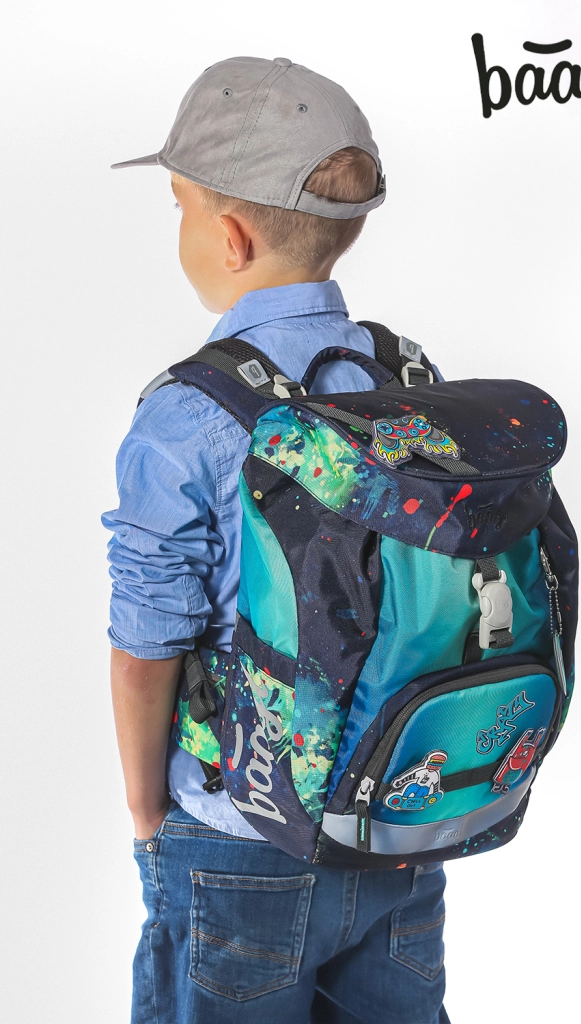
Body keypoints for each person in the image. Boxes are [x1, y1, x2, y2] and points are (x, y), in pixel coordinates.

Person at [103, 56, 450, 1024]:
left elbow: (145, 646)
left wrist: (147, 809)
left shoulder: (187, 413)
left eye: (178, 206)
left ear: (229, 235)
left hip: (236, 833)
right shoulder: (410, 381)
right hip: (395, 819)